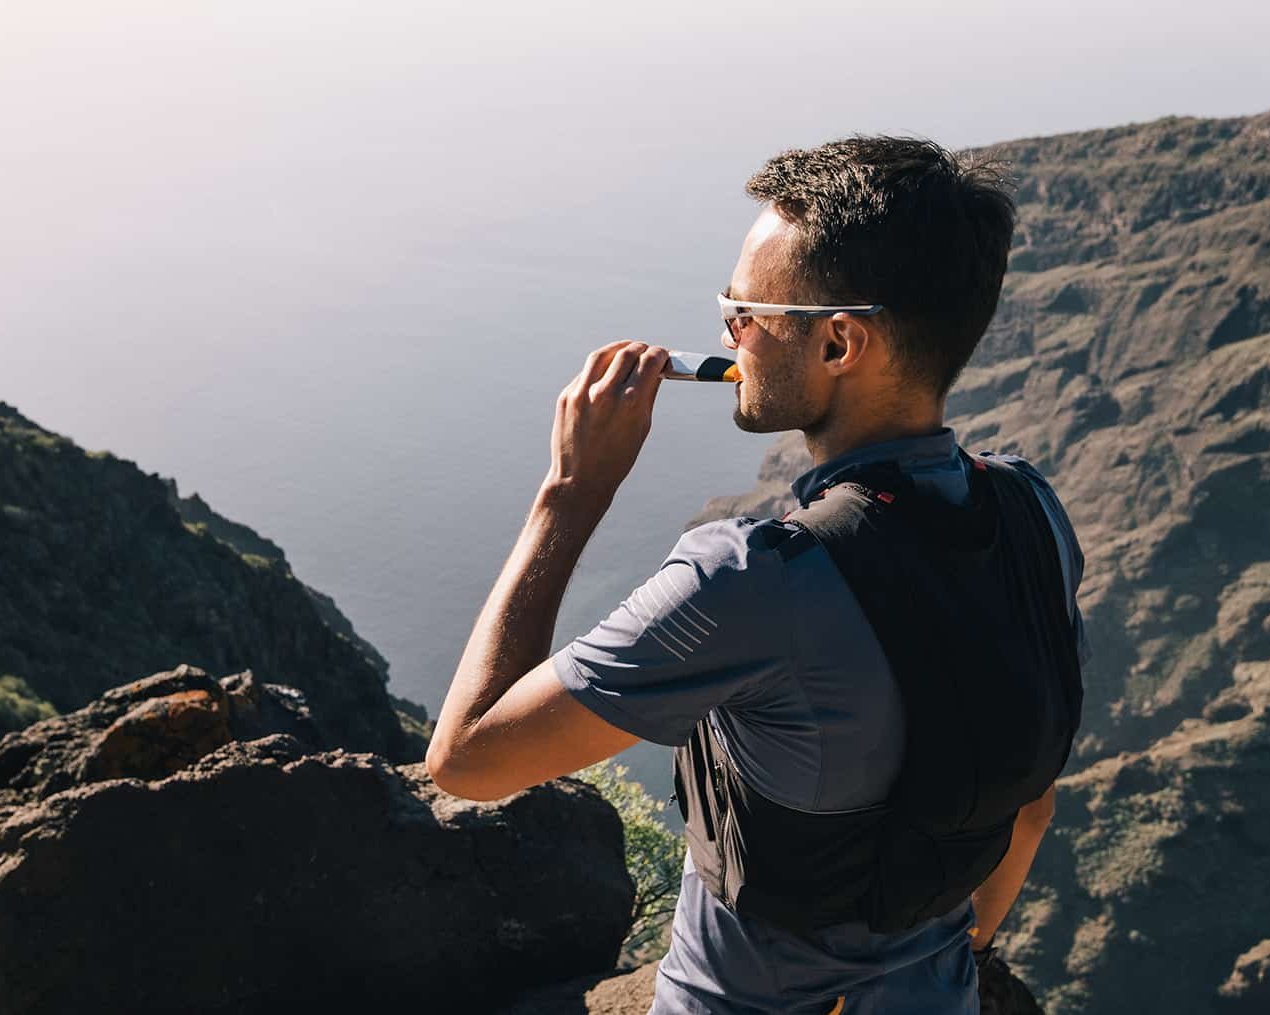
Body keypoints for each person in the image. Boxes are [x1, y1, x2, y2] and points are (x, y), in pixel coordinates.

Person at [426, 136, 1089, 1014]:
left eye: (746, 310)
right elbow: (1029, 805)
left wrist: (571, 493)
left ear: (840, 342)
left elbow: (467, 759)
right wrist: (959, 950)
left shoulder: (750, 580)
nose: (729, 332)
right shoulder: (1033, 513)